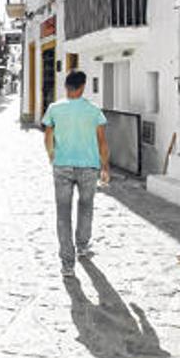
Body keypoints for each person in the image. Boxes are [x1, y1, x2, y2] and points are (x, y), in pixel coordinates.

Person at [43, 70, 110, 277]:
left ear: (66, 87)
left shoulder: (54, 108)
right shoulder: (93, 110)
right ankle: (82, 246)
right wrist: (105, 166)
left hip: (62, 165)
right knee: (86, 207)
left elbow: (48, 137)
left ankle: (67, 264)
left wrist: (52, 156)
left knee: (63, 213)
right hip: (88, 167)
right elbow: (101, 142)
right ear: (82, 87)